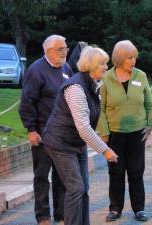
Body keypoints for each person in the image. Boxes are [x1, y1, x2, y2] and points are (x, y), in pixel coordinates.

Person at [42, 46, 118, 225]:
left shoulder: (93, 84)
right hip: (59, 143)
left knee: (83, 189)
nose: (106, 67)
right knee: (76, 188)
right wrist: (105, 150)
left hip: (76, 143)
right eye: (103, 64)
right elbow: (83, 127)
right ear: (91, 66)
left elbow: (90, 119)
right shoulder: (75, 87)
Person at [96, 40, 152, 222]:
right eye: (130, 58)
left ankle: (139, 209)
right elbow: (100, 108)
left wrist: (150, 124)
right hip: (114, 133)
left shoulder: (141, 76)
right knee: (116, 172)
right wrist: (104, 132)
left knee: (136, 171)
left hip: (137, 132)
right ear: (120, 59)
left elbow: (149, 103)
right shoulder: (106, 78)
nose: (133, 61)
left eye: (134, 57)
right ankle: (115, 208)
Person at [19, 34, 72, 225]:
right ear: (49, 51)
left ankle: (62, 214)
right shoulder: (36, 70)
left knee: (62, 175)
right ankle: (43, 217)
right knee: (42, 176)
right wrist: (31, 129)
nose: (65, 52)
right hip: (42, 132)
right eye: (61, 49)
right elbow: (27, 102)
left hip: (62, 133)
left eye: (66, 48)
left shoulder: (66, 67)